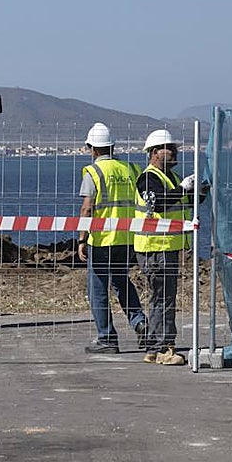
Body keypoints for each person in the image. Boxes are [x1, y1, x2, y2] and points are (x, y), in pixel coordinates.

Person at [134, 129, 206, 366]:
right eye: (169, 148)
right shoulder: (148, 178)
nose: (174, 152)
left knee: (161, 298)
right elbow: (160, 203)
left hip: (165, 246)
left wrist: (199, 189)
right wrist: (183, 189)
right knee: (162, 298)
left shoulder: (171, 178)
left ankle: (155, 348)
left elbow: (181, 201)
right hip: (155, 247)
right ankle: (163, 348)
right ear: (155, 153)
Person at [77, 122, 148, 355]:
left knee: (98, 289)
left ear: (92, 149)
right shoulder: (130, 169)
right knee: (121, 282)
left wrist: (81, 238)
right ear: (112, 146)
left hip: (101, 240)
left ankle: (107, 337)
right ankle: (140, 322)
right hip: (128, 238)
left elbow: (87, 208)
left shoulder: (93, 172)